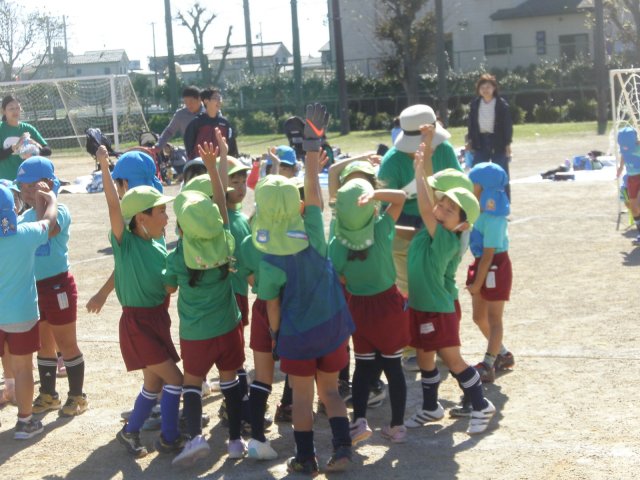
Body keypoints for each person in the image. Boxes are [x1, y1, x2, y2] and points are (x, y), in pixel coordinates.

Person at [254, 103, 355, 474]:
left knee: (301, 395)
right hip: (331, 325)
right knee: (330, 391)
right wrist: (312, 148)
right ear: (297, 205)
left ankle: (306, 456)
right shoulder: (311, 227)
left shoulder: (267, 256)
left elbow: (272, 305)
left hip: (297, 331)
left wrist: (277, 334)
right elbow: (313, 189)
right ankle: (343, 448)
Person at [405, 126, 495, 435]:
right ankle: (431, 407)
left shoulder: (446, 237)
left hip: (437, 308)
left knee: (452, 359)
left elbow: (423, 201)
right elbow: (430, 195)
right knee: (424, 357)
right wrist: (426, 149)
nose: (441, 209)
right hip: (422, 305)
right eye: (442, 204)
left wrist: (419, 166)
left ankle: (481, 405)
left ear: (462, 223)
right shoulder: (437, 229)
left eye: (450, 209)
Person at [96, 146, 183, 458]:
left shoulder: (159, 245)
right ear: (142, 218)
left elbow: (168, 288)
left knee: (154, 385)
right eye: (160, 211)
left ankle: (130, 432)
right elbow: (112, 205)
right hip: (139, 323)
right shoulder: (126, 243)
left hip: (157, 320)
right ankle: (170, 437)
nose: (166, 215)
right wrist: (104, 166)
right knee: (176, 379)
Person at [166, 142, 246, 467]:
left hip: (196, 333)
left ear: (182, 227)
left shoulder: (177, 257)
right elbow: (223, 211)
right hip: (228, 327)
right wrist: (215, 169)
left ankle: (195, 436)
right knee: (231, 382)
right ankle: (237, 439)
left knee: (193, 383)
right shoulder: (226, 239)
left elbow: (169, 287)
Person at [377, 104, 462, 372]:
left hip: (440, 228)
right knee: (408, 287)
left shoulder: (445, 151)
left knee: (443, 286)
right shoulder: (392, 161)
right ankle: (412, 347)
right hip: (404, 232)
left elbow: (459, 187)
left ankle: (442, 340)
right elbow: (384, 212)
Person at [329, 178, 409, 444]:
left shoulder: (336, 245)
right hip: (388, 306)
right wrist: (375, 192)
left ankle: (359, 420)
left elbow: (340, 279)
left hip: (359, 308)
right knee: (393, 367)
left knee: (363, 368)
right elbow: (400, 196)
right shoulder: (382, 228)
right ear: (372, 208)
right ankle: (397, 426)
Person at [16, 157, 87, 417]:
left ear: (46, 184)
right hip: (34, 288)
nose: (24, 191)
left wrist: (49, 200)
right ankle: (48, 394)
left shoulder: (62, 210)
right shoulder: (23, 216)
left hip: (58, 287)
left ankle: (77, 396)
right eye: (22, 187)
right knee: (43, 344)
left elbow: (50, 229)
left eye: (29, 186)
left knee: (66, 343)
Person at [0, 182, 58, 439]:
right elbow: (48, 221)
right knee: (24, 367)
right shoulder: (25, 234)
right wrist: (51, 199)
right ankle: (25, 422)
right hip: (22, 314)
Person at [467, 162, 514, 383]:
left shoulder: (495, 218)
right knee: (478, 317)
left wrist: (477, 282)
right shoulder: (480, 212)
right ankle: (502, 354)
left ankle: (488, 364)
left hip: (495, 266)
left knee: (494, 318)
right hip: (482, 264)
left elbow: (489, 255)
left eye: (473, 184)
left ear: (484, 188)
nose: (470, 188)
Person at [467, 73, 513, 200]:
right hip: (480, 141)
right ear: (478, 89)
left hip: (498, 141)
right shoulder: (475, 104)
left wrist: (508, 144)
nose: (485, 90)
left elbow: (507, 125)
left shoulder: (501, 104)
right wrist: (469, 140)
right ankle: (476, 202)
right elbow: (471, 124)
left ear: (494, 88)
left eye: (488, 87)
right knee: (477, 172)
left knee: (501, 173)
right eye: (482, 87)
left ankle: (504, 203)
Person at [0, 95, 52, 181]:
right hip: (5, 181)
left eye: (17, 107)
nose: (15, 111)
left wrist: (35, 145)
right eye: (11, 108)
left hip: (27, 181)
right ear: (3, 111)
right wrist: (14, 147)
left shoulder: (28, 128)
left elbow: (47, 151)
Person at [184, 87, 238, 160]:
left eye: (220, 98)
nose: (219, 101)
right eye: (216, 98)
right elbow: (189, 145)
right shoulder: (196, 123)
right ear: (206, 101)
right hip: (201, 166)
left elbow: (232, 146)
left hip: (220, 165)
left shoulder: (225, 124)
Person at [156, 86, 204, 151]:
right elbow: (169, 131)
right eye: (186, 102)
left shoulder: (209, 112)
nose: (188, 105)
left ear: (199, 99)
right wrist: (159, 145)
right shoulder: (181, 115)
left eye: (191, 102)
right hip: (190, 153)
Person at [617, 127, 640, 244]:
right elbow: (623, 155)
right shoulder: (625, 148)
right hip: (631, 179)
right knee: (634, 208)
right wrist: (620, 168)